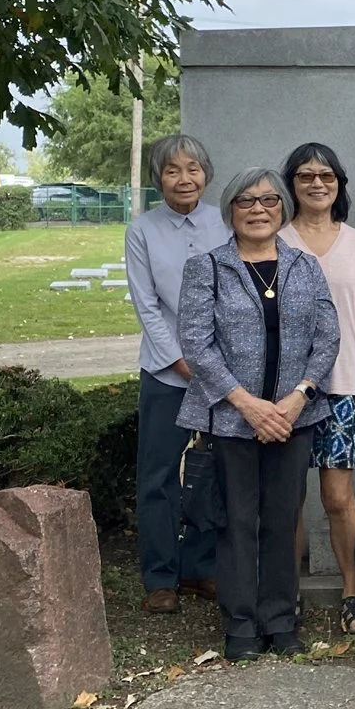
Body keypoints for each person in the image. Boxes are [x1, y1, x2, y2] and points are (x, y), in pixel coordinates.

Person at [177, 169, 340, 661]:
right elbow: (196, 344)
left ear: (282, 209)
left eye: (269, 199)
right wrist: (247, 404)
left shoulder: (304, 266)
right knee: (238, 522)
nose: (258, 208)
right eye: (246, 200)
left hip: (294, 418)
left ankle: (280, 620)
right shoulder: (207, 267)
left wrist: (296, 399)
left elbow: (327, 337)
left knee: (283, 518)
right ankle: (242, 626)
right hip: (231, 420)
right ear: (231, 210)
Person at [279, 143, 355, 636]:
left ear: (340, 183)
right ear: (291, 184)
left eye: (326, 175)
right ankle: (288, 594)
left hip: (342, 388)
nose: (317, 184)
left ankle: (351, 592)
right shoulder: (272, 239)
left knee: (339, 498)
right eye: (305, 176)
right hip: (284, 394)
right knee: (288, 496)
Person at [124, 134, 230, 614]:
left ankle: (200, 568)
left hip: (223, 370)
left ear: (206, 174)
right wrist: (180, 360)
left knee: (214, 472)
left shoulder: (224, 222)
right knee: (158, 475)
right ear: (157, 178)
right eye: (172, 170)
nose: (183, 178)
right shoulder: (142, 230)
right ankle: (161, 577)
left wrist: (213, 361)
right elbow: (146, 305)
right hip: (165, 372)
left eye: (192, 168)